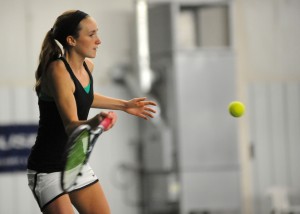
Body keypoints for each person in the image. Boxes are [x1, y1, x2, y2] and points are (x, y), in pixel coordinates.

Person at [27, 10, 157, 214]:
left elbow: (84, 96)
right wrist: (95, 121)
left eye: (97, 33)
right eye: (91, 35)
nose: (99, 41)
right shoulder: (57, 70)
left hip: (75, 163)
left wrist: (124, 105)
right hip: (47, 168)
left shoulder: (88, 66)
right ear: (71, 40)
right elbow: (71, 125)